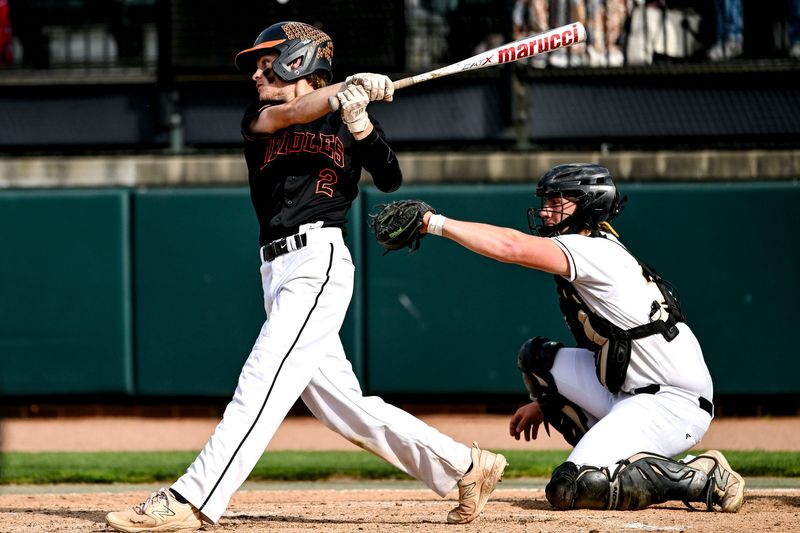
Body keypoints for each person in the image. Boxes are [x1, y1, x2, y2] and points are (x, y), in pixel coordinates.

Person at [104, 21, 507, 533]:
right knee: (346, 408)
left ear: (298, 59)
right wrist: (348, 88)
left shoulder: (344, 122)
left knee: (262, 380)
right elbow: (295, 112)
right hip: (276, 269)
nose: (255, 73)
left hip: (317, 261)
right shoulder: (261, 116)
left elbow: (389, 176)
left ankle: (193, 498)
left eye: (265, 62)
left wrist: (360, 120)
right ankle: (465, 466)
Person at [416, 163, 745, 512]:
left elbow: (511, 246)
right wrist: (547, 403)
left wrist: (434, 223)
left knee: (570, 487)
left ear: (588, 203)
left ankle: (705, 476)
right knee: (537, 359)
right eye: (546, 200)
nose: (545, 209)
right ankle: (611, 457)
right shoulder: (594, 243)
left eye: (557, 201)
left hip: (671, 403)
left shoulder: (594, 250)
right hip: (628, 390)